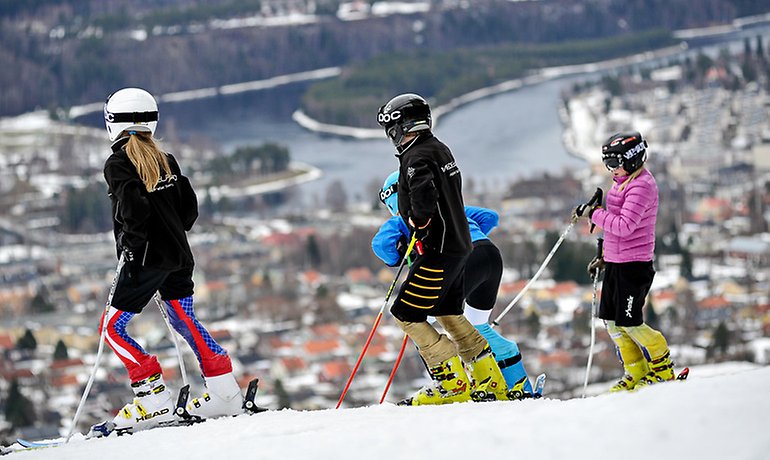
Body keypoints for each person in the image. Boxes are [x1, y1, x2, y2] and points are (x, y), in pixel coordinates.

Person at [101, 87, 244, 433]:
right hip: (179, 255)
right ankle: (224, 390)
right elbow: (189, 211)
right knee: (183, 319)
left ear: (112, 123)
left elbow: (133, 209)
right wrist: (171, 232)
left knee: (112, 329)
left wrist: (131, 248)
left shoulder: (119, 163)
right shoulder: (166, 159)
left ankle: (153, 399)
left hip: (146, 260)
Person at [376, 93, 511, 405]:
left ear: (400, 127)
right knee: (447, 311)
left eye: (391, 130)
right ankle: (490, 381)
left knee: (405, 313)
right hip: (460, 246)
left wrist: (416, 221)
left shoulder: (415, 158)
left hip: (437, 251)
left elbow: (422, 197)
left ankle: (453, 386)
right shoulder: (439, 148)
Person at [372, 171, 535, 398]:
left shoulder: (406, 216)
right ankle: (517, 382)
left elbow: (381, 245)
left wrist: (399, 256)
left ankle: (451, 384)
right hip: (490, 256)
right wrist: (469, 235)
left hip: (464, 260)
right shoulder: (450, 208)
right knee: (475, 325)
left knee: (420, 317)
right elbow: (490, 217)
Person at [575, 131, 675, 392]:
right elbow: (615, 225)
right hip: (617, 262)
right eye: (606, 163)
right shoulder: (622, 181)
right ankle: (636, 370)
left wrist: (595, 214)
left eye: (614, 162)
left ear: (631, 160)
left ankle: (662, 367)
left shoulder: (642, 185)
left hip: (634, 266)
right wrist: (604, 255)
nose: (610, 169)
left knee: (629, 321)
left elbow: (624, 226)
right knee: (611, 321)